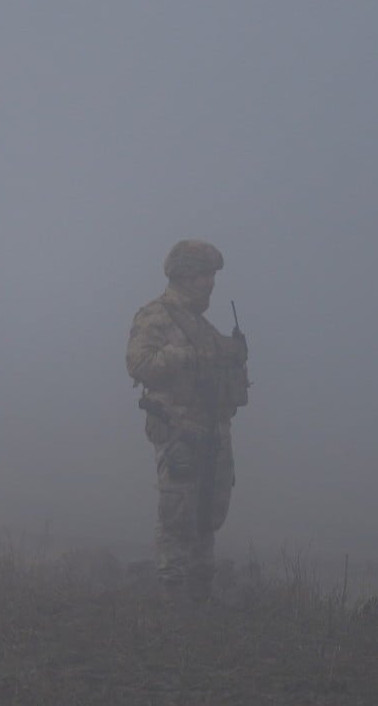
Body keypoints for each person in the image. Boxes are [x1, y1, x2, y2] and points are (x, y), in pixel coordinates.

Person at [125, 240, 249, 603]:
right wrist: (188, 355)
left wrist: (230, 356)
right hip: (178, 430)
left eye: (212, 275)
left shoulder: (202, 324)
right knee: (177, 515)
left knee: (208, 516)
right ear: (183, 275)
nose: (210, 283)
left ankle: (200, 595)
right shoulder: (155, 316)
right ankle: (174, 600)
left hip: (212, 431)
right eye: (203, 275)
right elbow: (139, 365)